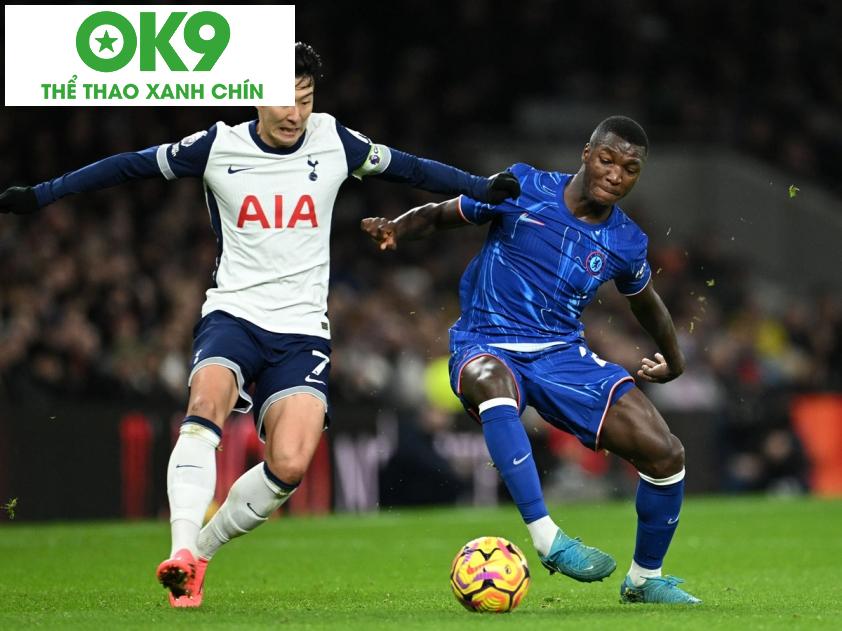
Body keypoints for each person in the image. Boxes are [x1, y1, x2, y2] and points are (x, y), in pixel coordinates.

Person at [0, 42, 520, 608]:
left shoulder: (334, 140)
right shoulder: (217, 146)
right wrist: (42, 194)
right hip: (234, 315)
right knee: (205, 406)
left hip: (301, 331)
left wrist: (479, 186)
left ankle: (198, 556)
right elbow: (126, 166)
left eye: (306, 98)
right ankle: (179, 549)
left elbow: (412, 168)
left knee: (290, 465)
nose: (295, 113)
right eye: (283, 100)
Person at [361, 116, 701, 604]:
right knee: (491, 381)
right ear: (587, 154)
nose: (615, 175)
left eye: (630, 169)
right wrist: (397, 229)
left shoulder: (626, 240)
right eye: (607, 160)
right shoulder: (523, 186)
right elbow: (442, 214)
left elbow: (646, 302)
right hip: (486, 340)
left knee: (666, 453)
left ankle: (645, 579)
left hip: (561, 353)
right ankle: (547, 538)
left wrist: (675, 358)